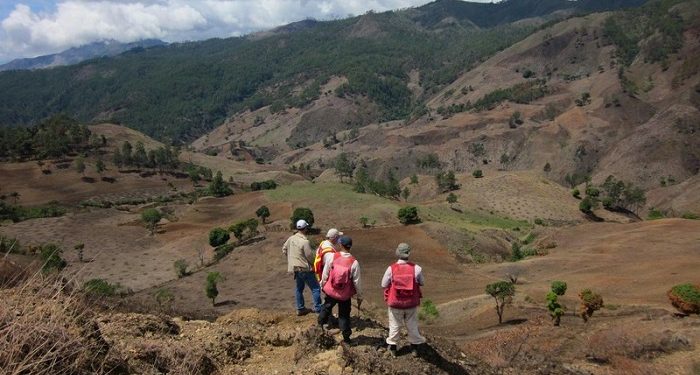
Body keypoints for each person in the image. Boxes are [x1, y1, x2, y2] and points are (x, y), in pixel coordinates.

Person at [381, 242, 426, 357]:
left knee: (395, 325)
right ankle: (414, 348)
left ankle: (393, 348)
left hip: (395, 303)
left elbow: (383, 284)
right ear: (408, 254)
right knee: (412, 325)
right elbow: (422, 282)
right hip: (411, 303)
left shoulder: (391, 269)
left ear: (398, 253)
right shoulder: (417, 269)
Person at [318, 235, 362, 343]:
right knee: (344, 315)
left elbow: (326, 273)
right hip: (345, 295)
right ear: (350, 247)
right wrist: (359, 296)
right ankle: (346, 338)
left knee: (326, 307)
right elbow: (357, 282)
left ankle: (319, 326)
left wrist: (322, 284)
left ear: (340, 245)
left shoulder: (332, 257)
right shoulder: (354, 262)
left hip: (331, 291)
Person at [282, 219, 321, 316]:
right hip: (305, 269)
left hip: (295, 269)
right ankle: (318, 309)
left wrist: (291, 258)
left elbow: (284, 249)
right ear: (305, 228)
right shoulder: (305, 242)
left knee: (299, 289)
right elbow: (309, 256)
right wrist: (314, 264)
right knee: (315, 289)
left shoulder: (291, 239)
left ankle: (300, 308)